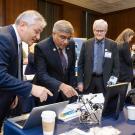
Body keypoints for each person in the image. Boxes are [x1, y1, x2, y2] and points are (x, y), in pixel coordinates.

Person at [0, 10, 53, 130]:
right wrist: (31, 88)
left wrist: (14, 94)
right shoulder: (3, 37)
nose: (38, 37)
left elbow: (12, 72)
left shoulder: (16, 41)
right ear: (23, 25)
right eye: (36, 31)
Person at [34, 20, 78, 105]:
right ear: (53, 34)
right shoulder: (41, 47)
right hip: (48, 94)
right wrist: (61, 86)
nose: (66, 42)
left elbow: (72, 68)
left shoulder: (71, 44)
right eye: (62, 37)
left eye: (69, 38)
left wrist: (72, 87)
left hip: (66, 94)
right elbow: (41, 75)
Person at [77, 19, 119, 95]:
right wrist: (80, 82)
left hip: (105, 82)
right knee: (87, 105)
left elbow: (116, 66)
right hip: (88, 82)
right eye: (97, 30)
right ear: (93, 30)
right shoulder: (86, 44)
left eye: (101, 31)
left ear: (106, 31)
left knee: (104, 105)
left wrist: (112, 81)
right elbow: (80, 65)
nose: (99, 33)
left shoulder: (112, 44)